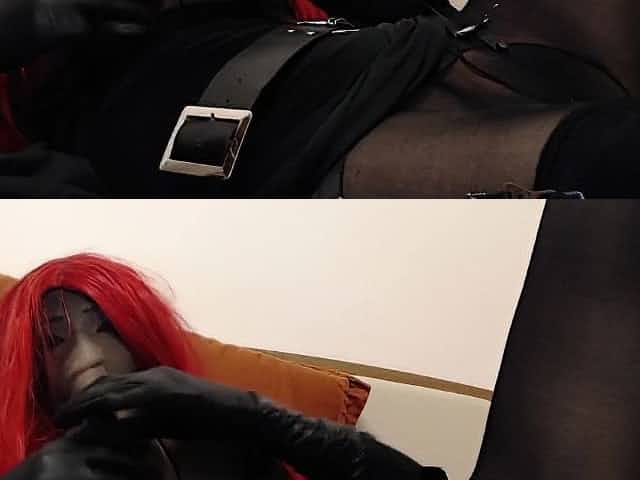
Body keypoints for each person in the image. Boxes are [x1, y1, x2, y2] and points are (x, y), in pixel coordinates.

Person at [0, 253, 447, 480]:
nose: (91, 355)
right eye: (53, 340)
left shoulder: (221, 444)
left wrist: (270, 422)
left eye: (107, 328)